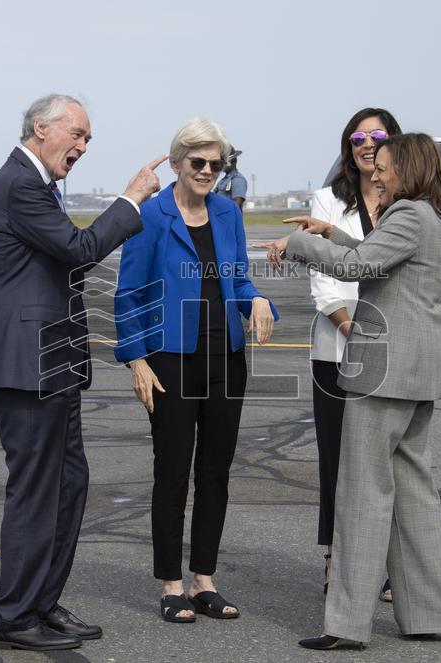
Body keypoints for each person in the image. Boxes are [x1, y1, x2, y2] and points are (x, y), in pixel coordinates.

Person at [0, 94, 164, 652]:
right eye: (76, 135)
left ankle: (40, 602)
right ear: (41, 128)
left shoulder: (36, 185)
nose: (82, 147)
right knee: (36, 490)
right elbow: (79, 250)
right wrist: (131, 201)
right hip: (24, 366)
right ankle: (14, 616)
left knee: (67, 483)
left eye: (87, 139)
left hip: (52, 363)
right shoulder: (20, 184)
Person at [260, 133, 441, 649]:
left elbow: (355, 269)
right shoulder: (435, 217)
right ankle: (428, 614)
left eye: (385, 166)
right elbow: (380, 257)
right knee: (414, 494)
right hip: (419, 369)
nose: (377, 173)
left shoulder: (408, 214)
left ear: (409, 168)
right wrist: (330, 231)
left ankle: (345, 625)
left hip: (384, 370)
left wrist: (301, 244)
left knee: (361, 495)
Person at [114, 118, 277, 623]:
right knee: (173, 472)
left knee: (215, 473)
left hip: (225, 358)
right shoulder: (151, 214)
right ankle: (171, 584)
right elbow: (129, 293)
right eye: (198, 163)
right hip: (170, 360)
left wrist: (259, 299)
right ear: (178, 162)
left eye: (216, 163)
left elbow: (239, 279)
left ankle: (204, 580)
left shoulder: (227, 213)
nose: (208, 171)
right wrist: (136, 359)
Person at [304, 107, 401, 599]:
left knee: (383, 463)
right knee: (337, 462)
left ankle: (385, 564)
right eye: (358, 137)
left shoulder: (407, 202)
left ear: (393, 143)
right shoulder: (327, 199)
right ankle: (335, 560)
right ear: (348, 146)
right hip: (338, 351)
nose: (368, 143)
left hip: (396, 354)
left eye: (377, 135)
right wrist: (355, 332)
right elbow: (324, 279)